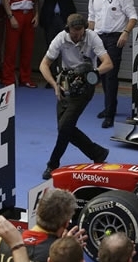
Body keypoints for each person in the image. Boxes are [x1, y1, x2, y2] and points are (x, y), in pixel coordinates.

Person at [39, 13, 113, 179]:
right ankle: (98, 152)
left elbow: (108, 63)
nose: (77, 36)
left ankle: (52, 164)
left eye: (80, 33)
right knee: (64, 128)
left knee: (65, 127)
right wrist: (54, 85)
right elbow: (44, 64)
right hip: (64, 86)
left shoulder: (92, 37)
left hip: (84, 88)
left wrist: (91, 73)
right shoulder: (60, 38)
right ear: (68, 29)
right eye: (74, 33)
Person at [87, 0, 137, 128]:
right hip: (98, 37)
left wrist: (125, 32)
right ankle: (111, 107)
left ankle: (109, 115)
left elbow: (133, 17)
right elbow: (92, 18)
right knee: (102, 75)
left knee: (111, 75)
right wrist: (88, 37)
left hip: (115, 38)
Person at [1, 0, 40, 88]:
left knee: (28, 49)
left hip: (29, 15)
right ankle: (8, 79)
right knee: (11, 49)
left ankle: (25, 78)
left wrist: (37, 15)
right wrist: (10, 16)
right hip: (15, 14)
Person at [39, 0, 77, 86]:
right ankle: (52, 78)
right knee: (52, 47)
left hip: (64, 18)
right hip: (51, 19)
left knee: (67, 47)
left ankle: (66, 77)